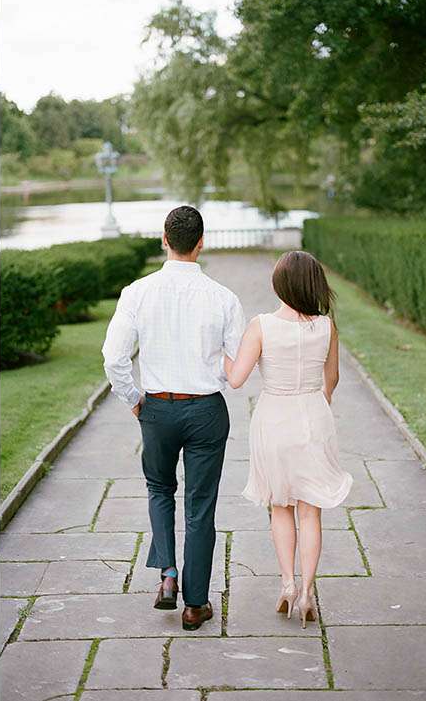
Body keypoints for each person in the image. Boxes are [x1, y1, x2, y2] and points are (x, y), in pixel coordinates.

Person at [102, 205, 245, 631]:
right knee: (200, 506)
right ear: (201, 243)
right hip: (205, 410)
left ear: (164, 239)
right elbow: (236, 363)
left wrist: (134, 399)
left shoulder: (137, 292)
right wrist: (212, 370)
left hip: (157, 408)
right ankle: (195, 605)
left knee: (159, 489)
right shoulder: (223, 298)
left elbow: (114, 358)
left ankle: (167, 576)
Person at [224, 250, 352, 628]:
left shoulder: (261, 325)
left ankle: (287, 585)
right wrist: (318, 403)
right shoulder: (327, 327)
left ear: (279, 284)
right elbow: (333, 379)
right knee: (310, 510)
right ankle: (309, 592)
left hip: (274, 419)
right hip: (313, 415)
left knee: (281, 506)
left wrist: (220, 354)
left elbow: (236, 378)